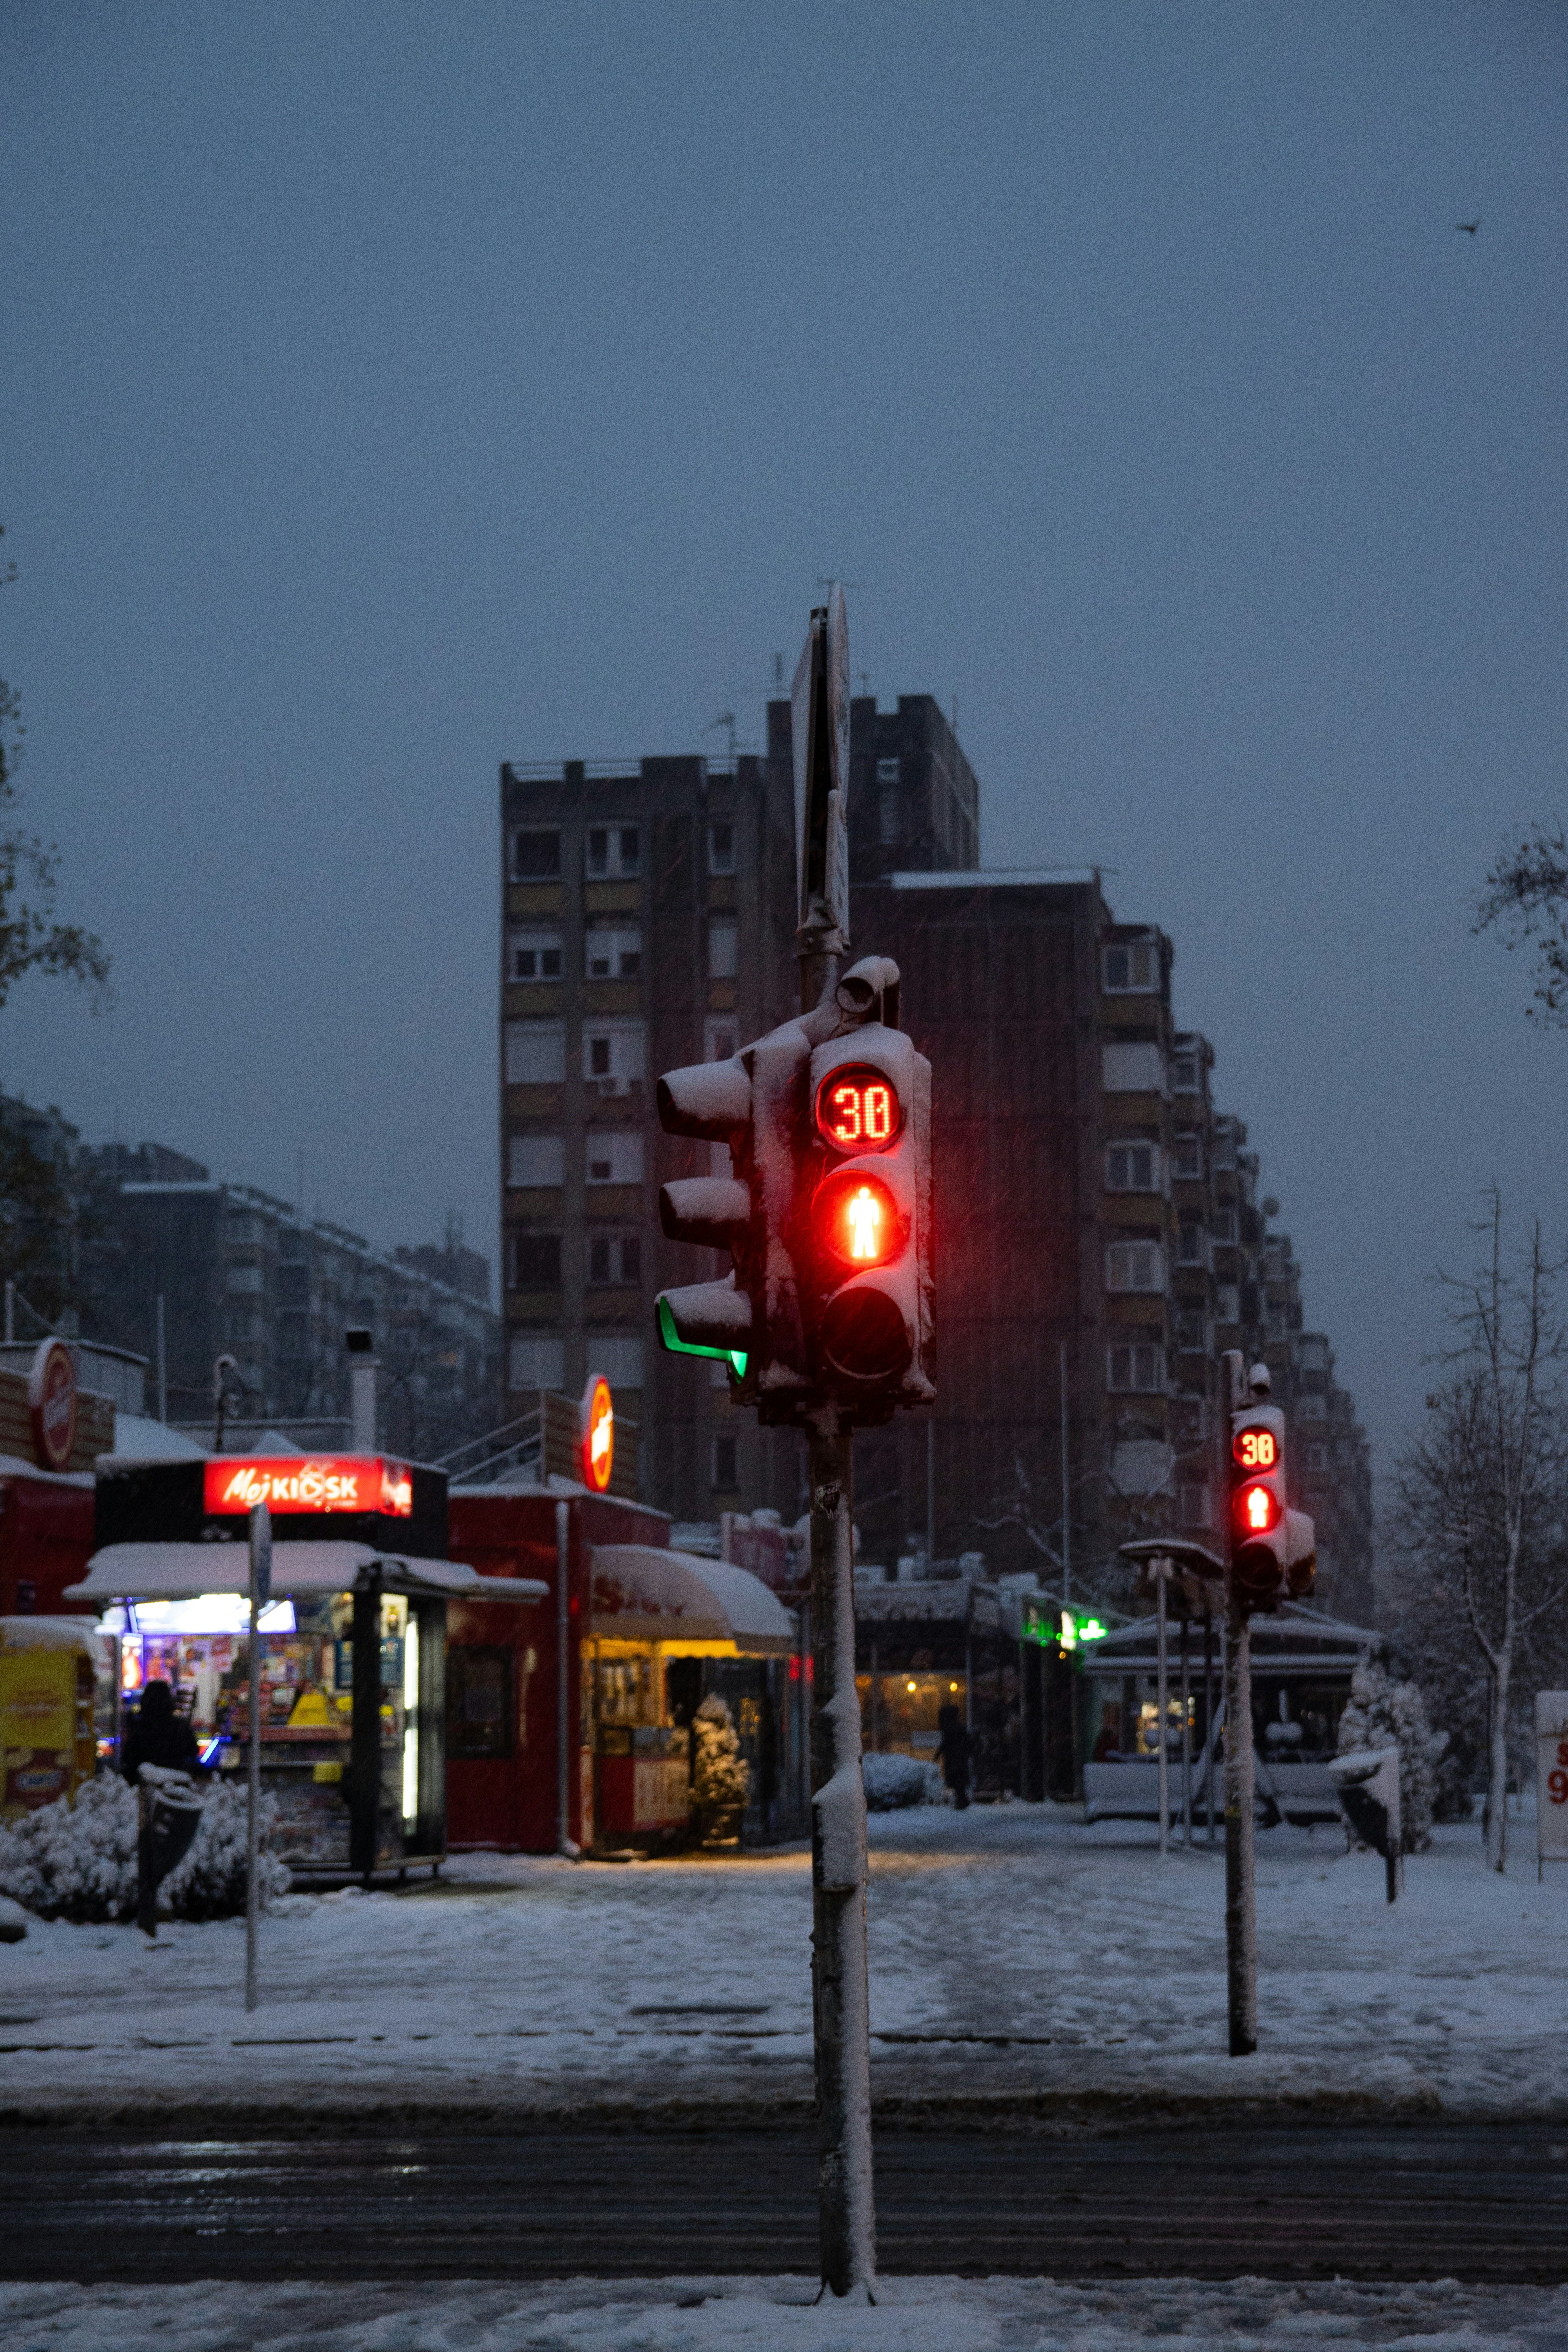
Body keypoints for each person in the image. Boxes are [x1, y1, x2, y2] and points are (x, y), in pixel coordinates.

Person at [120, 1680, 203, 1783]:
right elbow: (193, 1751)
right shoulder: (180, 1724)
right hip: (175, 1780)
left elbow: (129, 1756)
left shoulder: (139, 1725)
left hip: (145, 1782)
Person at [935, 1701, 972, 1810]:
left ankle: (962, 1801)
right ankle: (962, 1800)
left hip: (953, 1759)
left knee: (956, 1780)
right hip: (960, 1758)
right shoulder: (960, 1728)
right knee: (959, 1780)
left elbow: (946, 1743)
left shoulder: (950, 1728)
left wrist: (938, 1755)